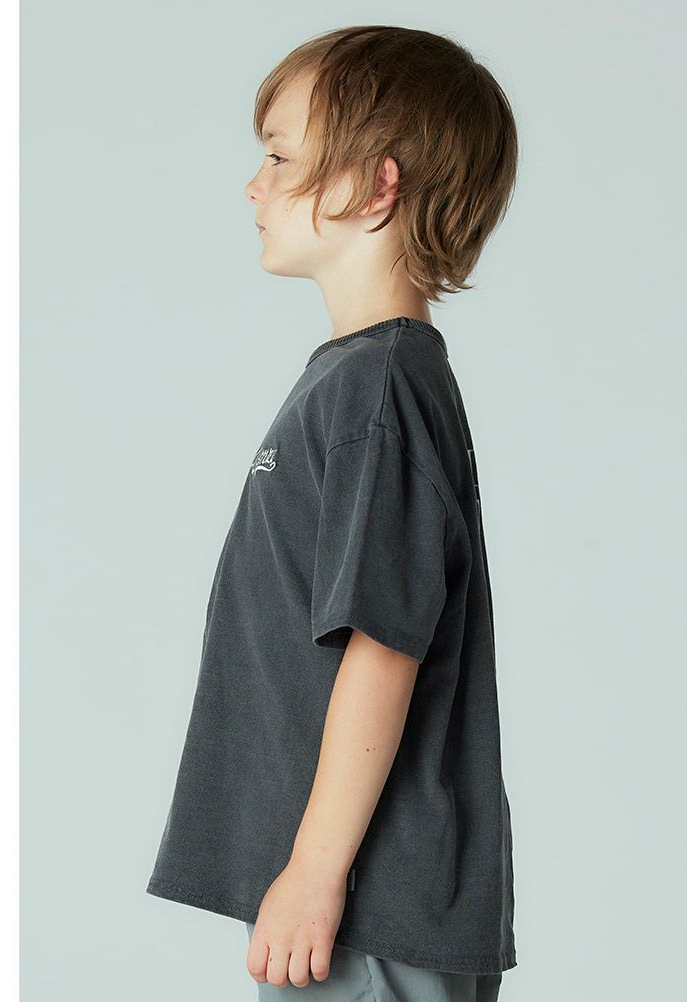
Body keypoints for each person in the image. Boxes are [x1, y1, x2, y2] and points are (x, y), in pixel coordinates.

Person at [146, 24, 519, 1000]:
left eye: (278, 157)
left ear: (374, 186)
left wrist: (315, 871)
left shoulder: (378, 388)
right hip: (357, 897)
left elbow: (383, 646)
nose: (253, 186)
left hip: (367, 900)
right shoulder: (364, 379)